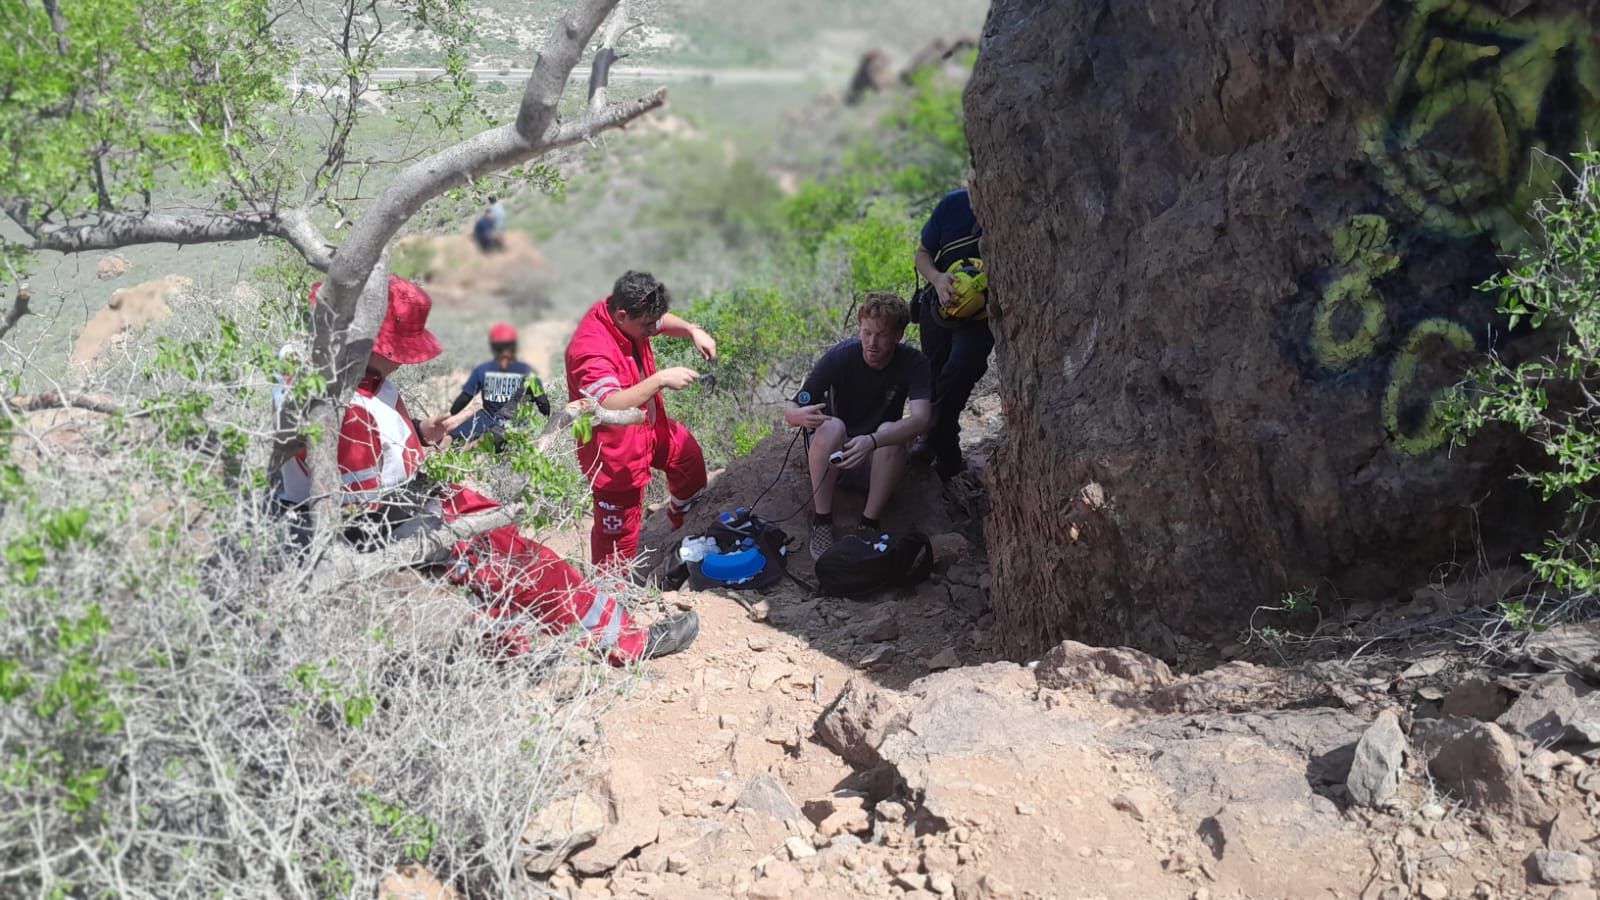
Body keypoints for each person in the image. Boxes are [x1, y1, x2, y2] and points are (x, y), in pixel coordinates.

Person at [273, 275, 698, 662]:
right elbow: (362, 505)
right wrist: (434, 495)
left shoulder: (326, 370)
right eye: (399, 351)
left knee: (502, 542)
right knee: (533, 568)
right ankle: (624, 641)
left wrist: (419, 431)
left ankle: (511, 643)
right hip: (399, 518)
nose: (404, 362)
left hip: (407, 500)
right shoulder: (344, 409)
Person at [564, 271, 716, 568]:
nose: (653, 330)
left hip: (649, 429)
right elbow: (605, 403)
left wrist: (691, 330)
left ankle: (684, 521)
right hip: (614, 454)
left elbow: (659, 322)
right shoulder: (590, 348)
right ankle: (611, 601)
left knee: (687, 458)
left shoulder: (628, 315)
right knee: (617, 540)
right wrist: (659, 380)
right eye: (647, 325)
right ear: (621, 316)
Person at [784, 292, 931, 559]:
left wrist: (872, 441)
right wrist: (801, 416)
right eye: (866, 333)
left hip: (876, 458)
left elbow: (922, 419)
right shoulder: (842, 356)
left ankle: (868, 524)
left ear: (898, 335)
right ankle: (822, 520)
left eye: (881, 335)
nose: (871, 343)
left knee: (891, 432)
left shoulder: (913, 362)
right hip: (835, 456)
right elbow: (792, 408)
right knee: (831, 426)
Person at [912, 171, 993, 479]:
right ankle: (947, 456)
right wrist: (937, 278)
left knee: (959, 370)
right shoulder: (952, 206)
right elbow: (922, 253)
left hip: (980, 319)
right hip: (938, 308)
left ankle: (931, 440)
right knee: (933, 377)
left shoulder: (1010, 212)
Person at [441, 322, 551, 451]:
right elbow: (542, 402)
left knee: (450, 439)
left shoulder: (483, 370)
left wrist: (452, 413)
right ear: (514, 346)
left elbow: (465, 398)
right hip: (513, 427)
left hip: (484, 419)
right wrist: (547, 416)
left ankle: (433, 460)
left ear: (493, 347)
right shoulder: (527, 371)